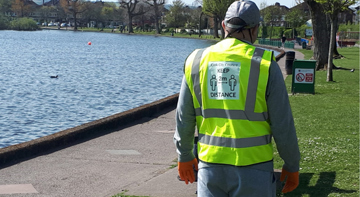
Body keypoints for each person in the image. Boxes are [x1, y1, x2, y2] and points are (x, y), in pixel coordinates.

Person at [173, 1, 300, 196]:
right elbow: (282, 124)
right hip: (255, 168)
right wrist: (292, 164)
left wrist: (184, 155)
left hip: (210, 167)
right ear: (256, 29)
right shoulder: (265, 64)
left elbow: (184, 117)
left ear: (224, 26)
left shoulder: (196, 60)